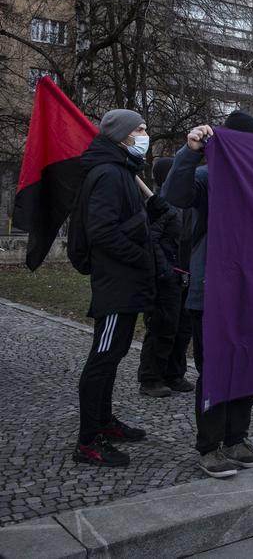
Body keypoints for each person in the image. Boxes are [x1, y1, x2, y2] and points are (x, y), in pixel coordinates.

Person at [164, 112, 253, 478]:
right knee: (215, 371)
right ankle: (209, 446)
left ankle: (236, 439)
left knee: (249, 368)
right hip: (210, 294)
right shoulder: (208, 178)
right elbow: (174, 194)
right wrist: (189, 152)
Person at [72, 109, 154, 467]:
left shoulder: (122, 170)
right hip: (115, 282)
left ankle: (105, 422)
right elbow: (102, 231)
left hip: (126, 282)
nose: (144, 134)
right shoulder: (108, 173)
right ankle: (88, 441)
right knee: (101, 361)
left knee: (113, 355)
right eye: (139, 129)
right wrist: (140, 256)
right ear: (122, 135)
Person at [138, 157, 193, 398]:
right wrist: (165, 270)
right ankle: (151, 377)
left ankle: (175, 373)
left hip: (186, 276)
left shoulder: (186, 202)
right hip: (166, 277)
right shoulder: (159, 204)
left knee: (183, 328)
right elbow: (152, 240)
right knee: (163, 327)